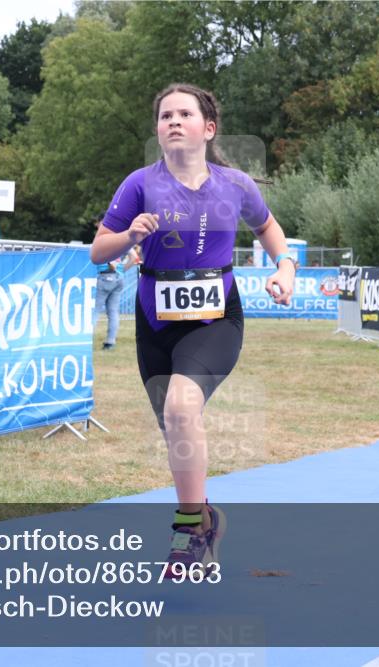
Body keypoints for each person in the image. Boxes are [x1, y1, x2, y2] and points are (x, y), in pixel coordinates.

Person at [89, 83, 295, 577]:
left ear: (208, 128)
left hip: (215, 318)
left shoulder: (236, 185)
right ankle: (204, 516)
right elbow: (99, 251)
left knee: (181, 408)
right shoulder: (139, 183)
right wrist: (129, 235)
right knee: (177, 430)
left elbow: (268, 229)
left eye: (184, 114)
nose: (173, 122)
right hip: (154, 321)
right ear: (158, 131)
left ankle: (189, 530)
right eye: (165, 116)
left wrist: (284, 266)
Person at [93, 221, 138, 350]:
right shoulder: (121, 238)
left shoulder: (105, 238)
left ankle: (86, 340)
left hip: (105, 276)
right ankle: (110, 342)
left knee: (95, 310)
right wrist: (122, 269)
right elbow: (134, 256)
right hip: (119, 278)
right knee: (113, 312)